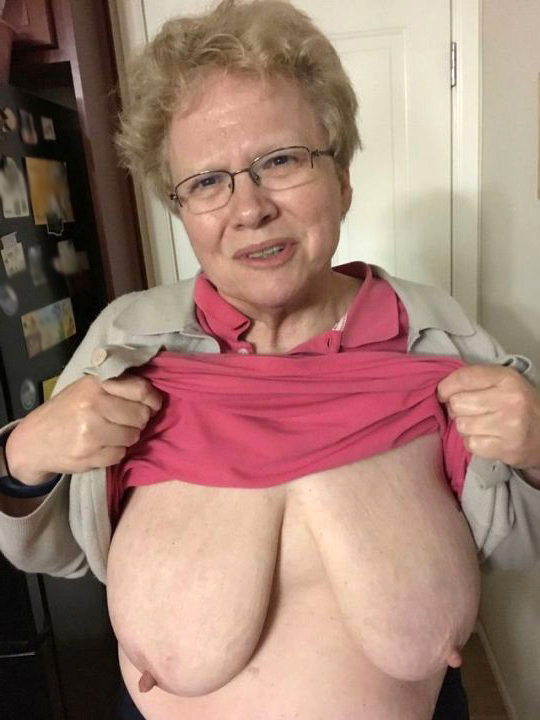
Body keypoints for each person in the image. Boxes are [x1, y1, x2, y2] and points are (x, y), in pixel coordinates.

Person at [1, 1, 540, 718]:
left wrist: (537, 450)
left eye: (280, 161)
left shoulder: (440, 339)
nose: (249, 208)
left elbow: (520, 543)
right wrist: (21, 458)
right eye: (206, 181)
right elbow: (55, 550)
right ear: (182, 211)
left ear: (341, 179)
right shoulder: (126, 342)